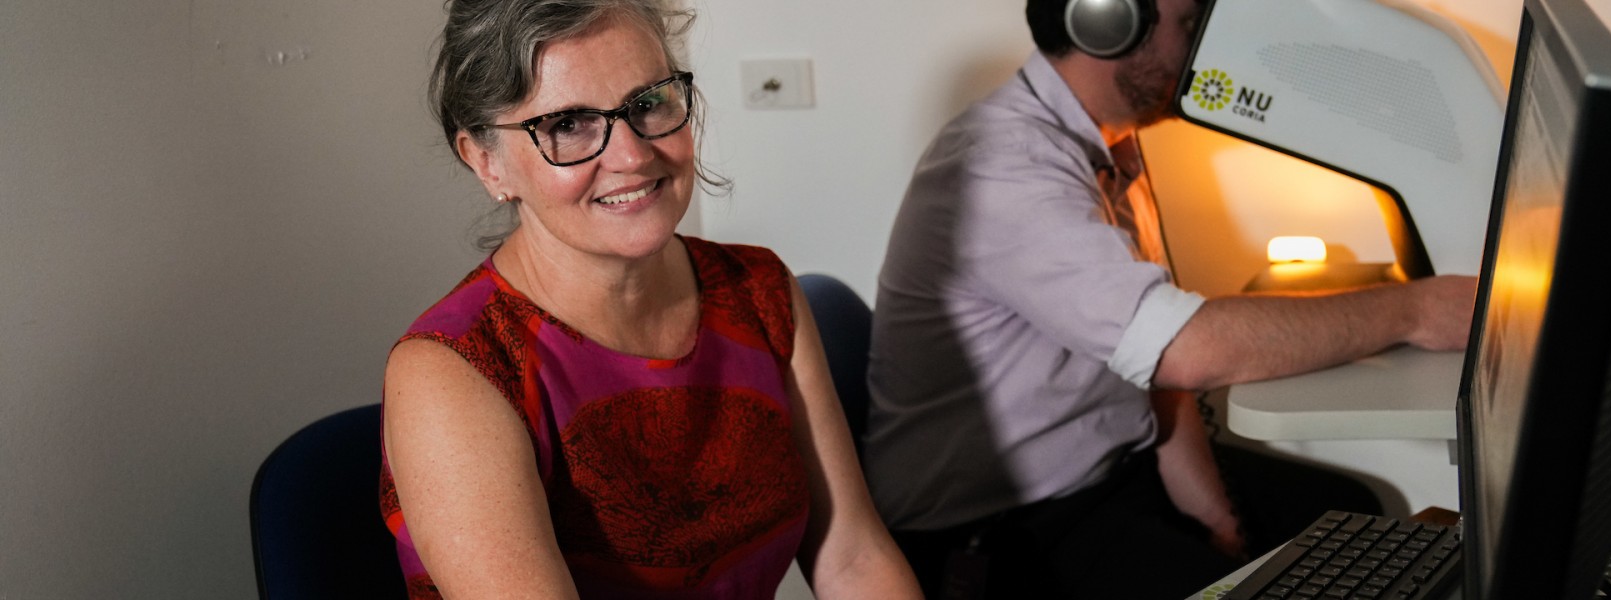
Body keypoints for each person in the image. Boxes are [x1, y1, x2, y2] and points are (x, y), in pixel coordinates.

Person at [863, 0, 1480, 597]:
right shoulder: (1007, 165)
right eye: (1190, 23)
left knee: (1354, 518)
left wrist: (1218, 523)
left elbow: (1156, 372)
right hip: (1000, 536)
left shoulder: (1107, 146)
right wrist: (1417, 310)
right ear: (1107, 20)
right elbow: (1181, 348)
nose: (1202, 47)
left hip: (1110, 476)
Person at [376, 1, 920, 598]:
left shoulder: (761, 291)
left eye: (647, 103)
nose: (632, 155)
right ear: (488, 163)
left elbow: (853, 557)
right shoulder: (455, 370)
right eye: (567, 125)